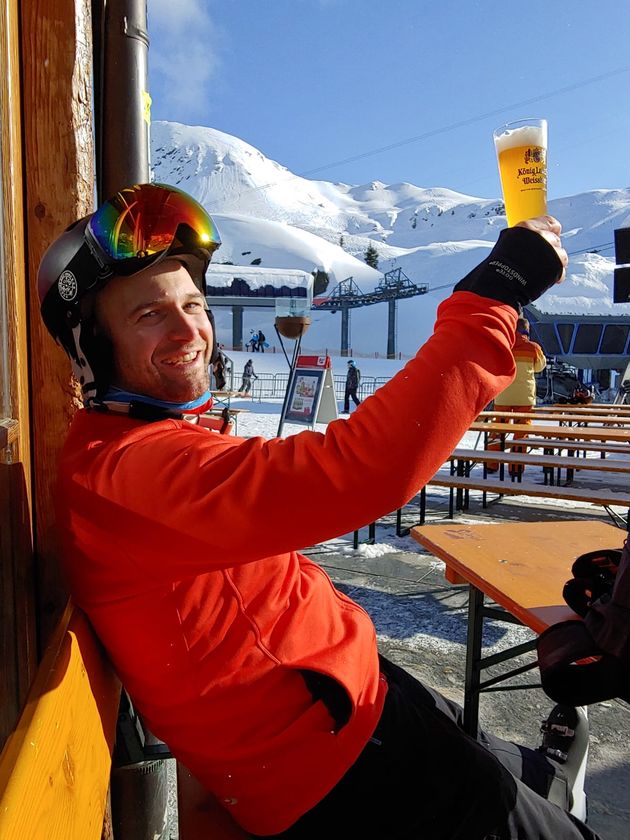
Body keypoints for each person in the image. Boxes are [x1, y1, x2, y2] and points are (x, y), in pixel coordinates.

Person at [37, 182, 601, 839]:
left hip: (348, 697)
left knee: (479, 752)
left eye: (193, 302)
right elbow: (359, 471)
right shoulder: (127, 474)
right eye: (148, 315)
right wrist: (494, 293)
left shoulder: (135, 447)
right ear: (91, 348)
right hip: (344, 767)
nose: (189, 327)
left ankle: (542, 776)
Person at [487, 316, 547, 476]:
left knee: (498, 428)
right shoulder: (533, 347)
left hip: (503, 394)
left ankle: (491, 463)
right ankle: (515, 467)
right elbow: (540, 367)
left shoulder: (503, 346)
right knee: (521, 430)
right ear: (527, 331)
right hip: (524, 396)